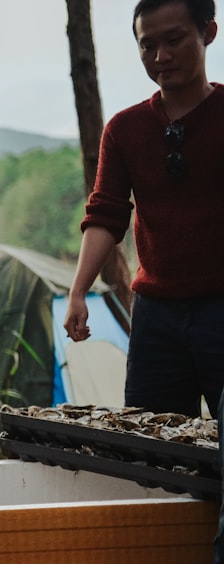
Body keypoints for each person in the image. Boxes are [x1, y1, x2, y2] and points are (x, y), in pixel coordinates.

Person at [63, 0, 224, 420]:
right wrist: (78, 291)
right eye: (147, 45)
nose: (160, 57)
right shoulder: (124, 130)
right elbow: (105, 215)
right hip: (156, 318)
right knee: (153, 448)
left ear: (208, 32)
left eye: (174, 40)